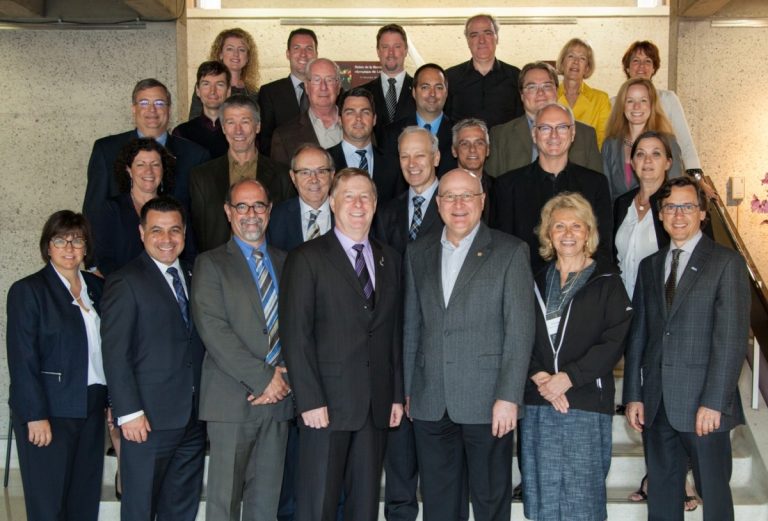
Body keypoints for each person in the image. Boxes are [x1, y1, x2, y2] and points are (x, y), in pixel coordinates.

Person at [403, 168, 534, 521]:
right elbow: (412, 326)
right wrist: (409, 389)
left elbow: (519, 331)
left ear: (482, 201)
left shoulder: (510, 251)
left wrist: (509, 396)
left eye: (467, 196)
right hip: (431, 400)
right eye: (449, 196)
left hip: (488, 401)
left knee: (491, 502)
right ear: (438, 203)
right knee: (440, 503)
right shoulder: (418, 252)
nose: (458, 204)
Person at [280, 168, 404, 521]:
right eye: (349, 196)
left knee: (363, 507)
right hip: (325, 406)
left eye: (365, 196)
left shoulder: (389, 258)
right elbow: (295, 334)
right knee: (318, 504)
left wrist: (396, 393)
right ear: (333, 202)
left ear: (376, 204)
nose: (358, 203)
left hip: (375, 404)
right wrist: (310, 399)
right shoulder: (307, 257)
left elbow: (392, 331)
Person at [624, 177, 750, 521]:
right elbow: (640, 335)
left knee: (714, 495)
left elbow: (731, 340)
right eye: (670, 207)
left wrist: (714, 402)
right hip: (657, 403)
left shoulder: (726, 264)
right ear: (660, 215)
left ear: (703, 213)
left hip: (704, 407)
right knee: (663, 494)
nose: (678, 214)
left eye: (687, 206)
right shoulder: (651, 265)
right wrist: (634, 394)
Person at [520, 192, 632, 521]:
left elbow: (614, 340)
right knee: (543, 496)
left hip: (584, 401)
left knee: (581, 497)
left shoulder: (608, 282)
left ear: (588, 233)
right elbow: (518, 332)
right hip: (539, 401)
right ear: (547, 234)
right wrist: (540, 376)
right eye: (558, 226)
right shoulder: (533, 281)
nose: (567, 233)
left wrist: (568, 378)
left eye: (576, 226)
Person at [191, 179, 293, 521]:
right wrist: (264, 379)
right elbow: (214, 331)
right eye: (242, 207)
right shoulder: (210, 264)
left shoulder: (287, 262)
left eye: (259, 206)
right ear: (227, 212)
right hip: (231, 401)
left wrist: (285, 378)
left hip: (280, 401)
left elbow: (301, 328)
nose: (251, 214)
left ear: (270, 210)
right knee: (224, 504)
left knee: (266, 504)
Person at [613, 131, 704, 512]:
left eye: (656, 154)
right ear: (631, 162)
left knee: (670, 397)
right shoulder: (620, 203)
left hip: (668, 318)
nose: (647, 161)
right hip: (627, 311)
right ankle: (660, 473)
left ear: (669, 162)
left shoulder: (681, 205)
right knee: (645, 396)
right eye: (640, 154)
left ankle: (673, 476)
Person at [101, 196, 206, 521]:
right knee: (141, 508)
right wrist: (128, 412)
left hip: (192, 418)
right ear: (141, 232)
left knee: (182, 507)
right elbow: (115, 353)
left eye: (174, 230)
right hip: (145, 421)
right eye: (157, 230)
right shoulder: (125, 281)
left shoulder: (194, 274)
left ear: (184, 233)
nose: (167, 239)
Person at [6, 210, 107, 521]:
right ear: (47, 246)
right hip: (50, 410)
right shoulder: (29, 291)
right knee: (49, 505)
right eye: (60, 240)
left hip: (91, 404)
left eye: (77, 240)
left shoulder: (97, 287)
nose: (69, 247)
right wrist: (35, 415)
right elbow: (22, 358)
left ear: (86, 247)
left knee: (84, 498)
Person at [492, 102, 612, 274]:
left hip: (581, 288)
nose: (554, 135)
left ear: (573, 133)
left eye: (562, 127)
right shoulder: (508, 186)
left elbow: (602, 247)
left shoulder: (595, 184)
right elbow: (503, 250)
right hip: (525, 287)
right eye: (545, 128)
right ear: (534, 134)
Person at [83, 78, 209, 221]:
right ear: (133, 109)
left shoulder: (196, 156)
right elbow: (93, 213)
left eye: (159, 103)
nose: (152, 110)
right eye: (144, 103)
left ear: (169, 109)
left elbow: (201, 219)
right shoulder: (106, 151)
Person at [190, 94, 294, 253]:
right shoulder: (202, 177)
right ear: (223, 128)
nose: (238, 131)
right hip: (219, 268)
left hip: (269, 266)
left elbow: (287, 228)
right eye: (231, 122)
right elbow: (198, 233)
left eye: (245, 122)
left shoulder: (282, 176)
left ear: (258, 126)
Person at [486, 61, 602, 177]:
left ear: (556, 92)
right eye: (532, 87)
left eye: (547, 86)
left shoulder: (586, 135)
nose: (540, 93)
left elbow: (597, 186)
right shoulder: (500, 136)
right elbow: (493, 187)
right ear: (521, 95)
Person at [92, 137, 177, 276]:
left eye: (155, 164)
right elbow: (103, 260)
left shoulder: (176, 209)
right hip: (125, 288)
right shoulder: (111, 209)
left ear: (163, 170)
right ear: (129, 170)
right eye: (140, 164)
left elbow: (188, 254)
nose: (149, 171)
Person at [621, 40, 703, 177]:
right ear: (627, 68)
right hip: (626, 174)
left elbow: (685, 141)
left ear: (654, 68)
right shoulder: (614, 103)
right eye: (636, 61)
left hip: (665, 174)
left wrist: (698, 178)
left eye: (648, 61)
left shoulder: (668, 99)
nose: (642, 66)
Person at [603, 78, 683, 200]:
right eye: (630, 101)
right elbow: (606, 194)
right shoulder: (610, 144)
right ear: (622, 106)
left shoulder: (668, 142)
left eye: (643, 100)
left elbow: (676, 191)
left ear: (652, 105)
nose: (636, 106)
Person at [444, 13, 522, 128]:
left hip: (505, 145)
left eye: (488, 33)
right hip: (463, 145)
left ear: (497, 38)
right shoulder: (450, 77)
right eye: (474, 35)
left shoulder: (516, 76)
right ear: (468, 41)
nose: (482, 40)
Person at [327, 87, 402, 204]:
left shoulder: (394, 164)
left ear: (374, 119)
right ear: (340, 120)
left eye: (365, 112)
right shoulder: (325, 162)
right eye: (350, 112)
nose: (358, 119)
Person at [382, 63, 458, 177]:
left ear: (446, 93)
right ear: (414, 92)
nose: (432, 94)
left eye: (439, 87)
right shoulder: (392, 134)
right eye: (425, 87)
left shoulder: (459, 133)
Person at [375, 126, 442, 254]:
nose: (411, 164)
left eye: (420, 155)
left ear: (436, 158)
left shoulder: (455, 206)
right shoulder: (386, 213)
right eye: (405, 156)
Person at [271, 58, 343, 166]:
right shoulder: (283, 136)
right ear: (306, 86)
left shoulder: (359, 127)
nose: (323, 87)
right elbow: (281, 181)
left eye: (329, 80)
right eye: (316, 80)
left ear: (338, 87)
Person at [258, 28, 318, 157]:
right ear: (288, 54)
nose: (303, 54)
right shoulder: (269, 93)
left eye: (309, 48)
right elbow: (265, 140)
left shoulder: (329, 91)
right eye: (297, 48)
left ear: (316, 54)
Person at [268, 143, 335, 252]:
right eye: (305, 172)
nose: (314, 179)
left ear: (332, 175)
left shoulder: (348, 213)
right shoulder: (275, 219)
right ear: (293, 177)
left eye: (321, 171)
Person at [360, 24, 416, 143]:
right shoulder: (362, 94)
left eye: (397, 46)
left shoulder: (421, 91)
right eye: (385, 47)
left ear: (405, 51)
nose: (391, 53)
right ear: (378, 51)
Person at [188, 28, 259, 119]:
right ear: (220, 54)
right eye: (230, 49)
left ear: (248, 57)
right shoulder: (206, 86)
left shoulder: (254, 92)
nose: (236, 54)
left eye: (241, 50)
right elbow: (194, 121)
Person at [555, 38, 612, 148]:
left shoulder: (601, 99)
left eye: (582, 58)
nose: (576, 62)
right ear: (562, 63)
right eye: (571, 56)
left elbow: (603, 141)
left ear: (587, 68)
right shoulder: (549, 96)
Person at [173, 60, 231, 158]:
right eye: (206, 84)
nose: (213, 91)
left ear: (228, 91)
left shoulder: (239, 132)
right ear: (197, 90)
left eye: (219, 84)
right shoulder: (181, 133)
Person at [451, 118, 495, 223]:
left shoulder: (501, 190)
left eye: (479, 143)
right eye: (465, 144)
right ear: (454, 151)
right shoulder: (441, 190)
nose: (472, 149)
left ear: (488, 150)